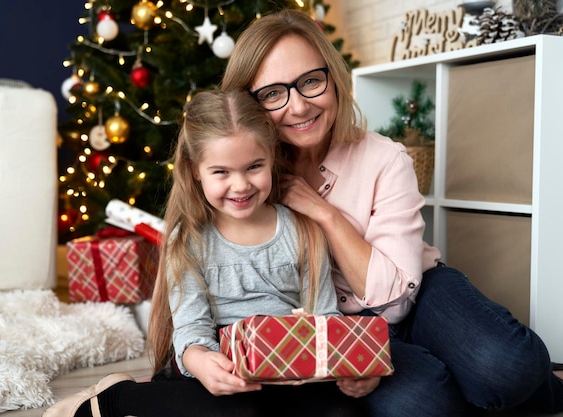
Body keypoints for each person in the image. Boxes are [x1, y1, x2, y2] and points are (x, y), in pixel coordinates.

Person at [219, 8, 563, 417]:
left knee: (507, 367)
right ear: (249, 103)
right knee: (423, 406)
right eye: (273, 93)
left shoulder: (384, 157)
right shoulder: (246, 179)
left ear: (333, 78)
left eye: (311, 82)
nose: (298, 107)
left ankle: (535, 388)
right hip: (343, 325)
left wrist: (322, 212)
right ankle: (469, 385)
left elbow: (396, 302)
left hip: (422, 294)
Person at [43, 88, 372, 417]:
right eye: (222, 172)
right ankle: (118, 397)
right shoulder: (188, 240)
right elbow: (191, 327)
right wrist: (200, 361)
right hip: (215, 356)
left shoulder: (302, 229)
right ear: (195, 169)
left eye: (254, 167)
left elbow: (326, 320)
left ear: (272, 156)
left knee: (346, 413)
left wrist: (351, 368)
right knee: (239, 411)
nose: (240, 185)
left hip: (287, 364)